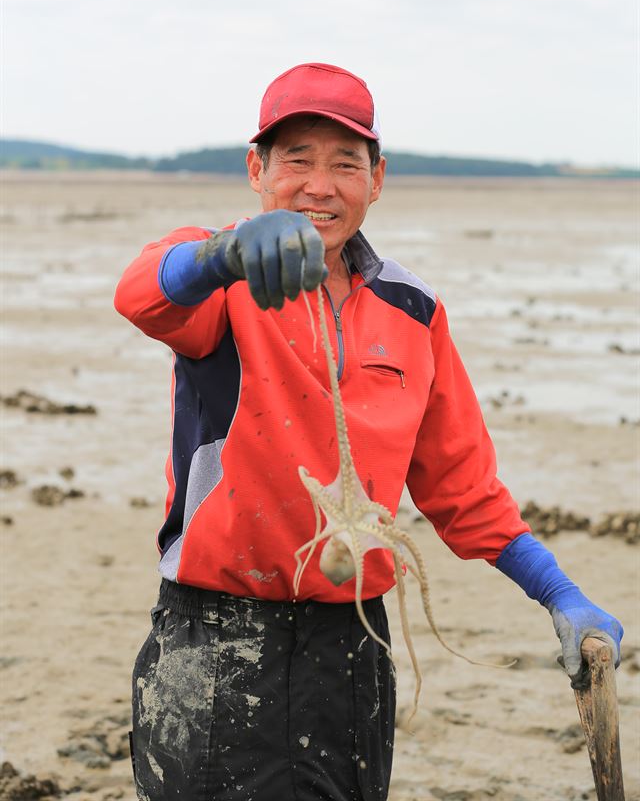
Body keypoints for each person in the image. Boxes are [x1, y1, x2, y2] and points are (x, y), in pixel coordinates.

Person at [114, 62, 623, 801]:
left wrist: (560, 593)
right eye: (296, 160)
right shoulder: (218, 276)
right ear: (256, 171)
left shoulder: (413, 311)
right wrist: (223, 254)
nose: (320, 184)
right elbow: (142, 295)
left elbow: (462, 488)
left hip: (353, 647)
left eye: (344, 163)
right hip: (214, 641)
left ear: (376, 179)